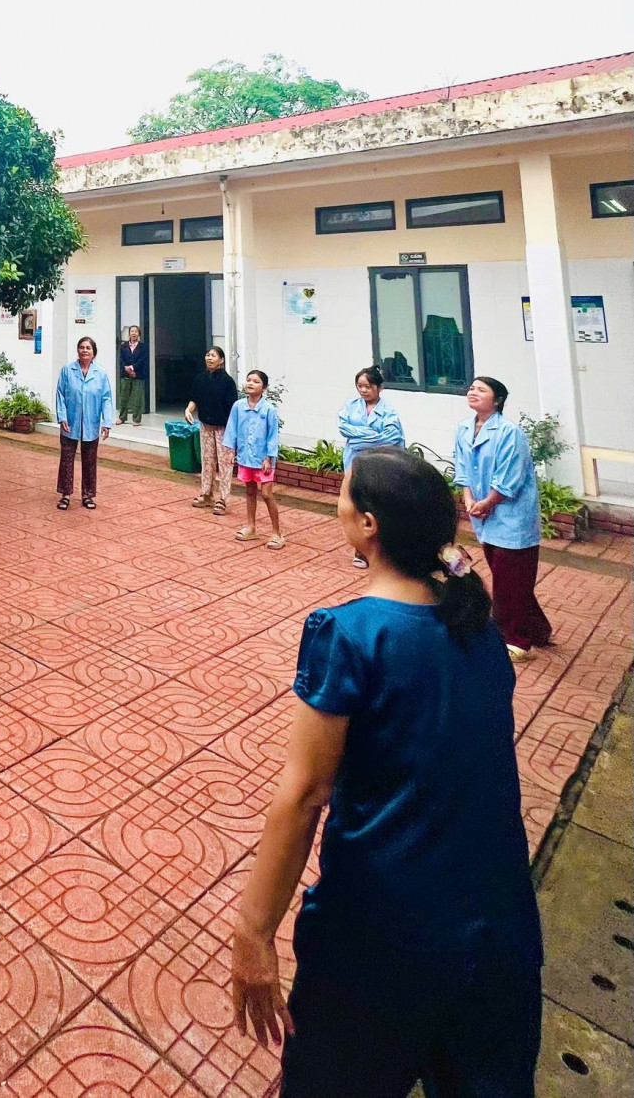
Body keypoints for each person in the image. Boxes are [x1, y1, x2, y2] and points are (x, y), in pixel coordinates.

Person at [230, 447, 542, 1096]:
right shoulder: (476, 622)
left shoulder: (350, 635)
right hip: (498, 929)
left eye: (344, 493)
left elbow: (304, 794)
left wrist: (253, 932)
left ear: (368, 524)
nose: (337, 503)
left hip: (380, 937)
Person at [454, 375, 552, 661]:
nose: (473, 392)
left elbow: (511, 476)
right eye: (471, 388)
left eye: (481, 390)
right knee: (508, 578)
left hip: (511, 516)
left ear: (496, 400)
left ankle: (517, 641)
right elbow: (462, 467)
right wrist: (469, 499)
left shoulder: (510, 432)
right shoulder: (463, 429)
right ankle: (537, 629)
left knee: (510, 581)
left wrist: (488, 502)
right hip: (484, 515)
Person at [337, 365, 405, 569]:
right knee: (356, 507)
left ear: (379, 387)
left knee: (377, 507)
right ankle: (360, 550)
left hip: (379, 466)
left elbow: (392, 437)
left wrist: (360, 438)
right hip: (354, 464)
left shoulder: (388, 411)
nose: (363, 390)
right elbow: (344, 428)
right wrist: (374, 435)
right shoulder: (350, 406)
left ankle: (380, 550)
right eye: (360, 386)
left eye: (368, 386)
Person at [223, 369, 284, 549]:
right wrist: (231, 450)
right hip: (245, 456)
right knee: (250, 491)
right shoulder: (238, 406)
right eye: (249, 380)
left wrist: (268, 458)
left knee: (266, 494)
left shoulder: (269, 409)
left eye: (256, 381)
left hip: (263, 459)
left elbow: (273, 436)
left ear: (263, 387)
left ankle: (277, 533)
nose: (250, 383)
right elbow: (232, 429)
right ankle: (251, 527)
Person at [54, 336, 114, 510]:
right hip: (70, 422)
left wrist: (106, 422)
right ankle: (65, 495)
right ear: (77, 350)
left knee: (89, 461)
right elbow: (60, 394)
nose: (85, 350)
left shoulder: (100, 374)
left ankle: (87, 495)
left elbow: (106, 399)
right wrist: (62, 416)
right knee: (66, 459)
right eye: (82, 347)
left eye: (88, 348)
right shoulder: (67, 370)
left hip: (91, 423)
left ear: (94, 352)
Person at [187, 346, 239, 515]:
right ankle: (206, 494)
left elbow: (233, 409)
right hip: (206, 425)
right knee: (207, 460)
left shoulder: (227, 382)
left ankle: (223, 499)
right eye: (207, 355)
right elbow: (195, 398)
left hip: (224, 428)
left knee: (224, 464)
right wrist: (189, 410)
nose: (209, 358)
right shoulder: (200, 378)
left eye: (213, 356)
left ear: (221, 360)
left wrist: (234, 432)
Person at [116, 325, 148, 425]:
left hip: (138, 375)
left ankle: (136, 419)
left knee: (137, 398)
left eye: (136, 331)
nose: (134, 333)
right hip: (125, 374)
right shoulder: (123, 346)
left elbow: (142, 360)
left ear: (139, 334)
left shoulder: (143, 347)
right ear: (129, 333)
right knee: (124, 398)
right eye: (132, 331)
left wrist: (133, 368)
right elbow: (121, 359)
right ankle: (122, 418)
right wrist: (127, 369)